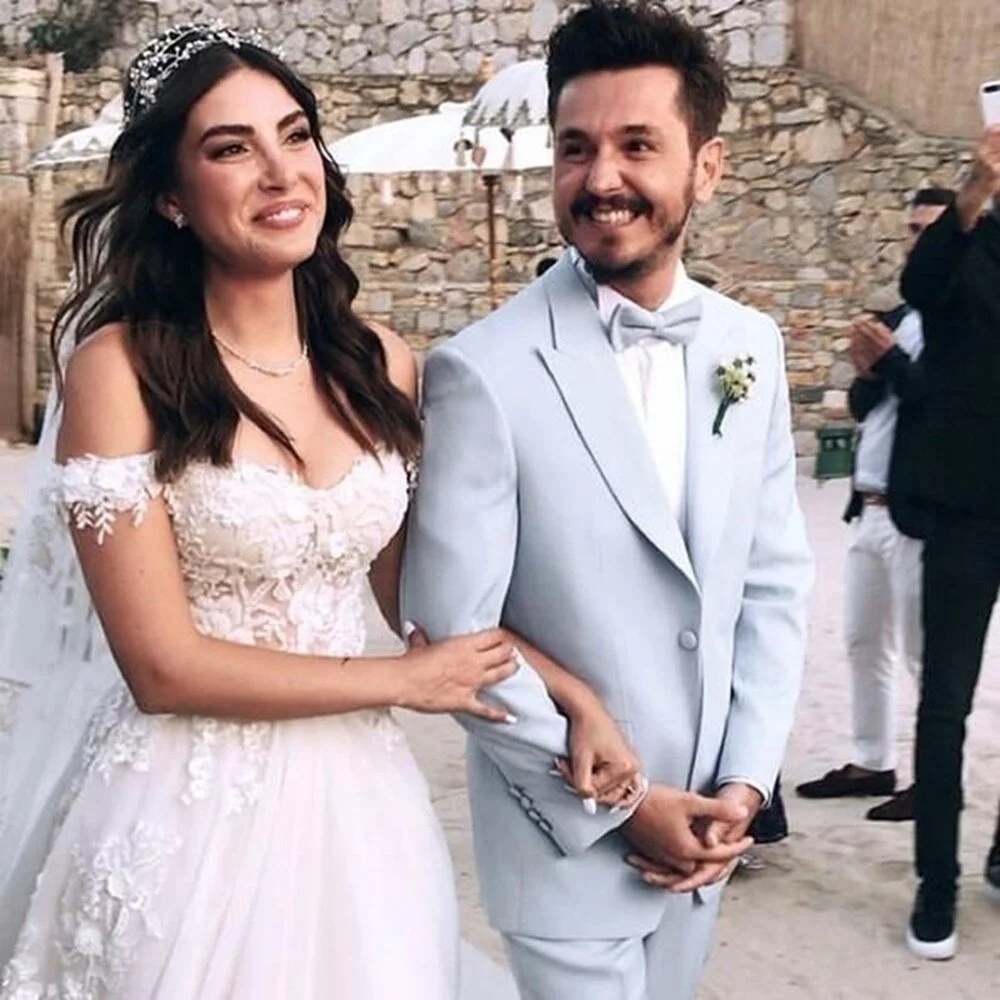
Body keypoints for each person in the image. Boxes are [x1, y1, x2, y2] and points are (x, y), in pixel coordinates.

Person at [0, 24, 629, 998]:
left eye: (294, 135)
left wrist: (573, 695)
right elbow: (161, 667)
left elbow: (424, 602)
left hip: (358, 814)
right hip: (181, 814)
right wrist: (400, 681)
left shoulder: (380, 363)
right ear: (170, 195)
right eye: (230, 148)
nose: (279, 171)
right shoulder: (119, 370)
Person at [402, 3, 813, 997]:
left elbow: (770, 586)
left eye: (637, 145)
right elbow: (453, 631)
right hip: (565, 847)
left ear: (706, 168)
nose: (600, 178)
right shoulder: (481, 370)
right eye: (575, 148)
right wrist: (627, 804)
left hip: (708, 837)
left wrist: (743, 785)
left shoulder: (749, 346)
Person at [795, 188, 954, 823]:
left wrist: (890, 362)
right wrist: (867, 372)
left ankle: (933, 780)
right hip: (869, 505)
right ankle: (871, 761)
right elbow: (870, 410)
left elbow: (947, 409)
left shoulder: (967, 320)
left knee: (925, 653)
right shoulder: (902, 314)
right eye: (912, 229)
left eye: (930, 230)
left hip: (924, 513)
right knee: (864, 641)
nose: (917, 241)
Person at [898, 126, 1000, 960]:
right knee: (945, 705)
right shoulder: (966, 240)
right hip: (969, 507)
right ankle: (937, 880)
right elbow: (919, 285)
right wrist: (971, 193)